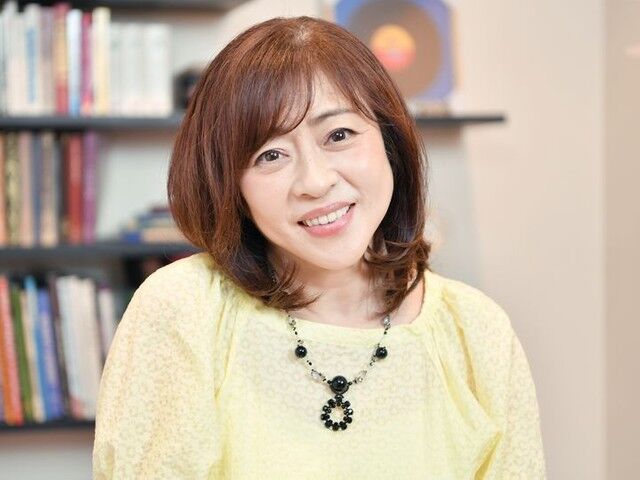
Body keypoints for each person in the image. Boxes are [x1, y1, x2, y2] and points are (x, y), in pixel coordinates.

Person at [92, 16, 546, 480]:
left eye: (339, 135)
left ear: (389, 142)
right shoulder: (183, 311)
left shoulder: (477, 331)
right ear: (230, 187)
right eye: (270, 155)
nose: (315, 181)